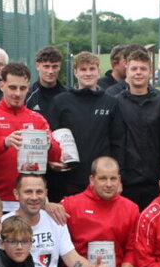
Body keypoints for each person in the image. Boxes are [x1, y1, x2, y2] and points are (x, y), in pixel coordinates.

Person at [62, 157, 160, 267]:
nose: (108, 184)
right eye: (103, 178)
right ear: (92, 179)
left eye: (113, 178)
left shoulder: (130, 208)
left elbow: (132, 249)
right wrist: (49, 205)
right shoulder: (70, 204)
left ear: (119, 180)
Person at [0, 62, 61, 210]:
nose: (17, 93)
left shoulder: (38, 119)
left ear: (28, 88)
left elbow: (57, 156)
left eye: (22, 88)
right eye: (12, 87)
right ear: (2, 85)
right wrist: (4, 143)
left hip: (30, 200)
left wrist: (50, 146)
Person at [49, 51, 118, 199]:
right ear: (75, 72)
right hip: (69, 178)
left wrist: (117, 176)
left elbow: (118, 141)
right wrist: (52, 160)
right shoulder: (61, 101)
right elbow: (51, 136)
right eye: (83, 69)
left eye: (92, 69)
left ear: (98, 71)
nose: (88, 73)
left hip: (101, 179)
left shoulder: (111, 102)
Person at [110, 49, 160, 209]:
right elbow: (116, 142)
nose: (138, 73)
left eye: (143, 69)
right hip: (127, 182)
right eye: (134, 68)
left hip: (154, 180)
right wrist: (117, 177)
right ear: (127, 72)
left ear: (150, 72)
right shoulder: (116, 103)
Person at [25, 46, 67, 123]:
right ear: (37, 66)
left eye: (54, 66)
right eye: (46, 66)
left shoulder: (68, 96)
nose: (50, 71)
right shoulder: (27, 96)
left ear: (60, 67)